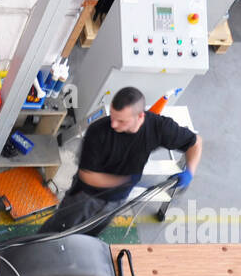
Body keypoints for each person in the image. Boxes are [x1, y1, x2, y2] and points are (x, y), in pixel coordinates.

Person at [39, 86, 202, 235]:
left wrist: (190, 171)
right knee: (57, 229)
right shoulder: (98, 132)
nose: (114, 124)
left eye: (121, 121)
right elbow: (87, 176)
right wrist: (126, 181)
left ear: (140, 117)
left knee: (90, 234)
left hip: (115, 202)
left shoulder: (158, 127)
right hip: (85, 196)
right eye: (113, 117)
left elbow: (195, 143)